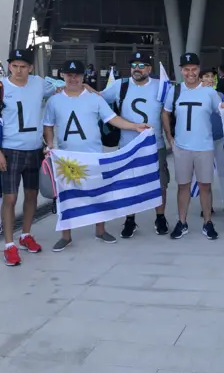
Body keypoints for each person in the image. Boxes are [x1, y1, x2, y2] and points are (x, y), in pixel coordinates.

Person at [43, 60, 149, 252]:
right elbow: (48, 125)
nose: (73, 78)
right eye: (69, 75)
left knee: (98, 194)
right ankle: (66, 236)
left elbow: (112, 119)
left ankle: (100, 230)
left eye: (77, 75)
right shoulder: (54, 100)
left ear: (83, 77)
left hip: (93, 155)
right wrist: (50, 145)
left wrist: (134, 126)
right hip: (66, 157)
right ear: (63, 76)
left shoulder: (94, 98)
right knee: (66, 197)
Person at [0, 49, 57, 266]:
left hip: (35, 149)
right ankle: (9, 245)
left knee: (32, 195)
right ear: (9, 67)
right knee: (10, 198)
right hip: (10, 150)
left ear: (31, 68)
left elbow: (62, 88)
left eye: (23, 66)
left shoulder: (39, 83)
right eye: (14, 66)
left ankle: (25, 235)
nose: (18, 70)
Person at [101, 52, 170, 238]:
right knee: (129, 184)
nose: (136, 69)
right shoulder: (120, 85)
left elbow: (172, 107)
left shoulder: (161, 86)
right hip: (128, 145)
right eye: (133, 65)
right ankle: (130, 219)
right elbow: (99, 99)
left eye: (141, 65)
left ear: (149, 68)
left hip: (155, 144)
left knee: (159, 183)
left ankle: (160, 217)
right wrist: (82, 88)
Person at [162, 53, 224, 241]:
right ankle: (181, 222)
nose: (190, 73)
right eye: (186, 69)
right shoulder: (175, 91)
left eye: (194, 69)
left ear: (199, 70)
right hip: (182, 147)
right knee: (182, 186)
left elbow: (222, 110)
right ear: (181, 70)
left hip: (204, 146)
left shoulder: (209, 92)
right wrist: (170, 137)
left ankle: (208, 222)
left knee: (205, 186)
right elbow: (165, 113)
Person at [200, 66, 224, 213]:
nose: (210, 79)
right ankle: (207, 205)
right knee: (204, 173)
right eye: (206, 76)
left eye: (212, 76)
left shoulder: (219, 94)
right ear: (200, 78)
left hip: (219, 138)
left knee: (223, 170)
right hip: (203, 139)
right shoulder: (196, 95)